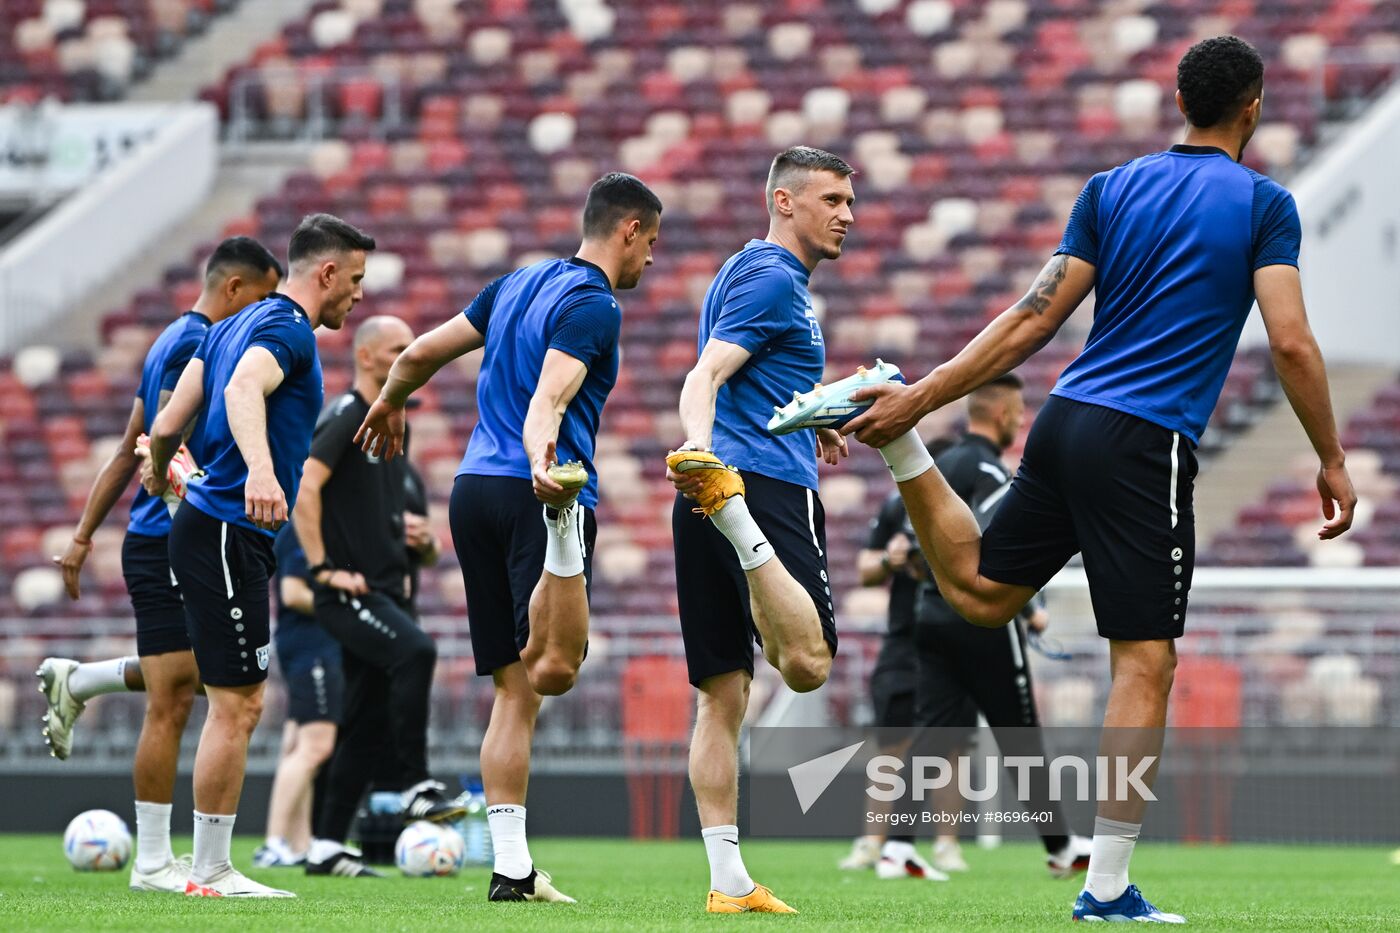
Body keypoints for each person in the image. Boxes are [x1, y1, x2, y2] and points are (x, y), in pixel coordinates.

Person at [827, 36, 1356, 923]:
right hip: (1146, 442)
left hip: (1066, 420)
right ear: (1253, 107)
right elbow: (1293, 341)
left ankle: (904, 450)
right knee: (1146, 659)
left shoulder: (1110, 190)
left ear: (1181, 101)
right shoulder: (1267, 204)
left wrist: (917, 400)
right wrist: (1330, 457)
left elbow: (1031, 320)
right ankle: (1106, 887)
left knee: (985, 594)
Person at [353, 172, 662, 902]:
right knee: (554, 668)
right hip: (537, 487)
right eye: (651, 241)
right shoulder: (594, 305)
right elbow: (549, 400)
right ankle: (562, 534)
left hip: (473, 491)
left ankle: (513, 868)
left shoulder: (513, 286)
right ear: (626, 231)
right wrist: (544, 470)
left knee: (513, 690)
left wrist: (392, 400)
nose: (651, 257)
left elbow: (418, 353)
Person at [140, 212, 374, 898]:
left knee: (229, 699)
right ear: (326, 272)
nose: (357, 295)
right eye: (355, 280)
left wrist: (161, 470)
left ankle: (199, 862)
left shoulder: (221, 327)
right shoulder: (287, 329)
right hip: (228, 529)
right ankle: (210, 869)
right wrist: (263, 471)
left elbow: (166, 422)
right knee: (237, 704)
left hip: (210, 528)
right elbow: (244, 390)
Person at [38, 237, 282, 893]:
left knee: (211, 683)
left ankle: (84, 679)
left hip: (171, 536)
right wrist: (199, 526)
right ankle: (150, 860)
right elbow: (156, 451)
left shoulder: (172, 337)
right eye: (262, 298)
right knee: (178, 697)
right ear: (236, 288)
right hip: (171, 534)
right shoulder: (191, 344)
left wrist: (85, 535)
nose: (264, 314)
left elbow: (127, 447)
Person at [665, 145, 854, 914]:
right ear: (785, 202)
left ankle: (728, 880)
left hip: (714, 491)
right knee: (807, 663)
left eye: (850, 201)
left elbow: (749, 377)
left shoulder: (746, 271)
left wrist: (816, 414)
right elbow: (705, 372)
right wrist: (704, 454)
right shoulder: (777, 279)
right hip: (758, 491)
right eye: (833, 199)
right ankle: (735, 520)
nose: (848, 214)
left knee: (722, 694)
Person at [291, 315, 460, 879]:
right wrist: (322, 569)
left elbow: (404, 533)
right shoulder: (348, 416)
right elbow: (304, 490)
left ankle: (325, 846)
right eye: (397, 349)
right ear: (366, 357)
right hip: (352, 591)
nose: (409, 357)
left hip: (390, 592)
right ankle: (415, 782)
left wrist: (424, 544)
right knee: (417, 651)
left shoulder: (396, 430)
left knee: (361, 726)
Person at [905, 374, 1090, 878]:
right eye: (1018, 411)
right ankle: (1061, 846)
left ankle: (895, 845)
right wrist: (1028, 607)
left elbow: (911, 538)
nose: (1021, 420)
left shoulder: (940, 465)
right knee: (1020, 735)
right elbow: (995, 536)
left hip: (930, 611)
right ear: (1002, 415)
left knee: (933, 732)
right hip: (979, 618)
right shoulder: (989, 468)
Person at [252, 525, 342, 869]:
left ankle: (300, 842)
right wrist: (346, 605)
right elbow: (292, 593)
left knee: (297, 742)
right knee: (316, 746)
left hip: (315, 647)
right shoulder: (301, 530)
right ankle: (274, 842)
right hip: (311, 648)